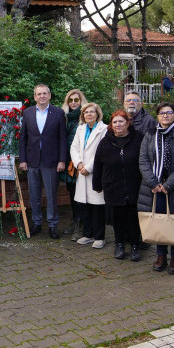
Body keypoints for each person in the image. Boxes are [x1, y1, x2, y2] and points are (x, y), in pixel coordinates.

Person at [137, 102, 174, 274]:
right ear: (157, 116)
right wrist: (154, 183)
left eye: (169, 113)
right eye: (162, 113)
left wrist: (168, 185)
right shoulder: (150, 135)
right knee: (159, 221)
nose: (165, 116)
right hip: (153, 187)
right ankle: (161, 255)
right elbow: (143, 160)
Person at [93, 109, 144, 261]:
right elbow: (98, 164)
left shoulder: (139, 138)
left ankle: (135, 245)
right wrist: (97, 184)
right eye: (114, 122)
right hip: (112, 185)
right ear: (111, 125)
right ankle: (119, 244)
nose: (118, 124)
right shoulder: (105, 142)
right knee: (117, 218)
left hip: (134, 185)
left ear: (128, 123)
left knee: (133, 217)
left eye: (121, 121)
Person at [19, 84, 68, 239]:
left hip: (51, 161)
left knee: (52, 194)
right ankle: (37, 223)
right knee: (34, 194)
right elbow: (23, 138)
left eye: (44, 93)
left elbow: (62, 138)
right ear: (34, 97)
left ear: (49, 95)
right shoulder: (27, 113)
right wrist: (23, 159)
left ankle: (53, 225)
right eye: (39, 94)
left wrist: (62, 160)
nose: (42, 96)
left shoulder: (58, 113)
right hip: (32, 160)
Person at [69, 102, 107, 247]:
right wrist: (78, 164)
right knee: (84, 205)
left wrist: (89, 168)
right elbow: (74, 148)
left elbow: (102, 151)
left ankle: (99, 237)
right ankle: (88, 234)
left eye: (92, 112)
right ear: (83, 115)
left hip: (95, 171)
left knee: (97, 206)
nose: (89, 114)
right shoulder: (80, 129)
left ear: (97, 114)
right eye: (86, 112)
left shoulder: (103, 129)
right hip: (81, 171)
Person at [59, 89, 88, 240]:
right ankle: (75, 220)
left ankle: (80, 225)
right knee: (72, 193)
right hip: (68, 162)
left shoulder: (85, 118)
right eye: (70, 100)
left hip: (81, 163)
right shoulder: (65, 118)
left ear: (81, 101)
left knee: (81, 194)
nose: (73, 103)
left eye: (76, 100)